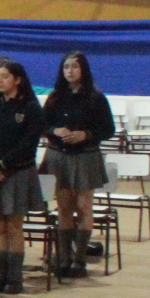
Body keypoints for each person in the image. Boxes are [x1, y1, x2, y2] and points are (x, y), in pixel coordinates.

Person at [0, 60, 46, 295]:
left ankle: (14, 278)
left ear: (18, 80)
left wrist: (3, 165)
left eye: (5, 76)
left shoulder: (30, 107)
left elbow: (28, 144)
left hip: (18, 172)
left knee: (14, 225)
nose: (0, 81)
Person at [42, 51, 115, 279]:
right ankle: (64, 258)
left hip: (85, 156)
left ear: (83, 69)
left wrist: (86, 134)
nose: (70, 71)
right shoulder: (55, 98)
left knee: (84, 206)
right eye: (66, 67)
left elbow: (108, 129)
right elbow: (41, 125)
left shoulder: (96, 98)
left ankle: (79, 260)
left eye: (74, 66)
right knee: (64, 207)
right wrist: (54, 130)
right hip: (59, 156)